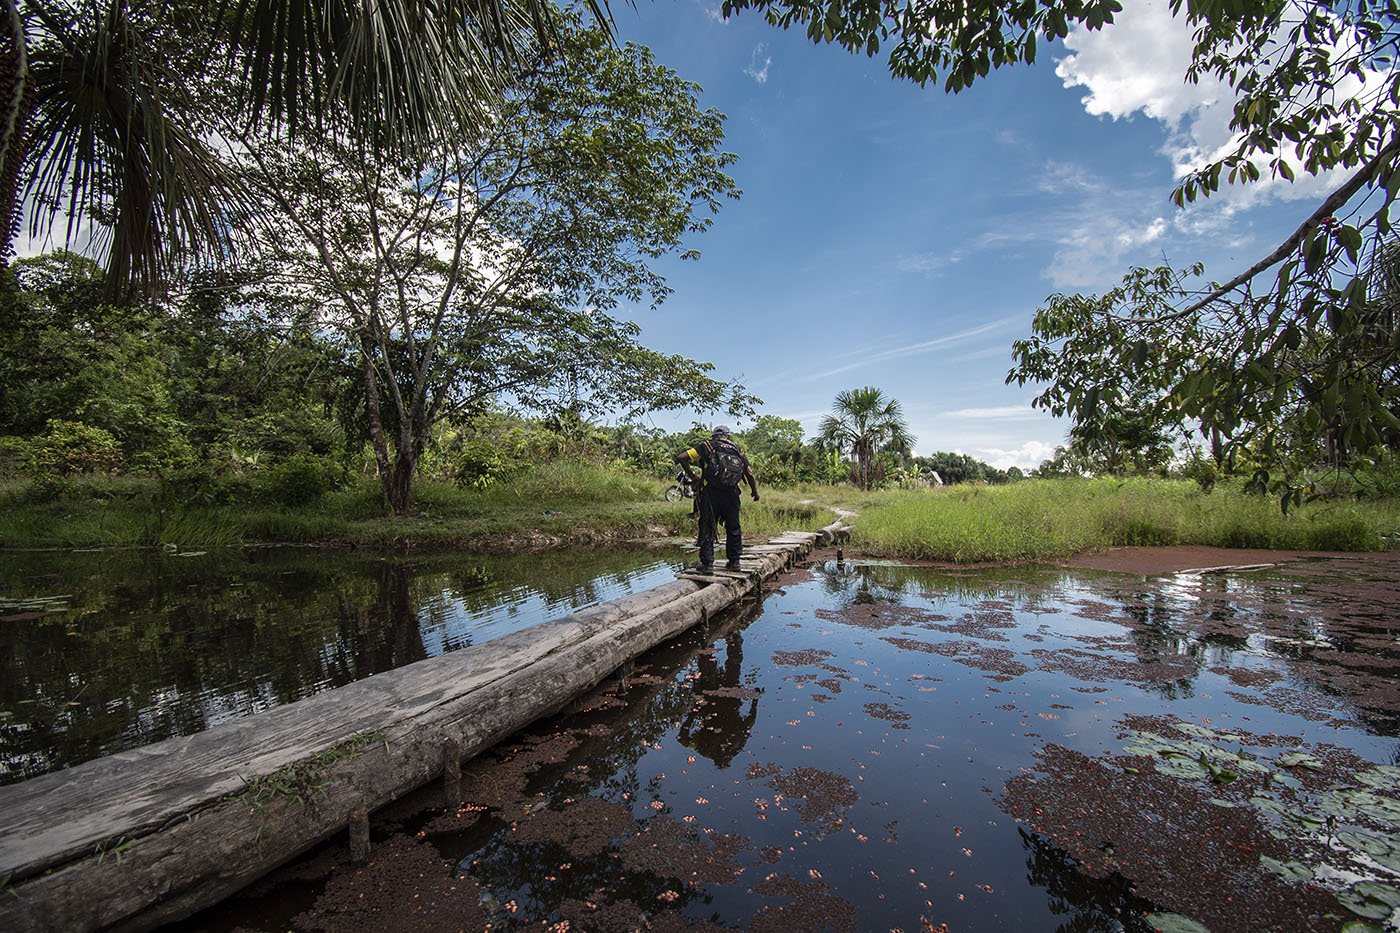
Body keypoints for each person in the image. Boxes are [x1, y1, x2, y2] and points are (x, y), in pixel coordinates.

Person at [675, 426, 759, 572]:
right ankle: (734, 562)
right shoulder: (737, 449)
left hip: (711, 492)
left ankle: (707, 564)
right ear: (728, 436)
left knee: (708, 525)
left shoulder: (707, 445)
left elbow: (681, 457)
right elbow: (749, 473)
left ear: (715, 436)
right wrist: (754, 492)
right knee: (733, 526)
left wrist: (693, 476)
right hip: (732, 493)